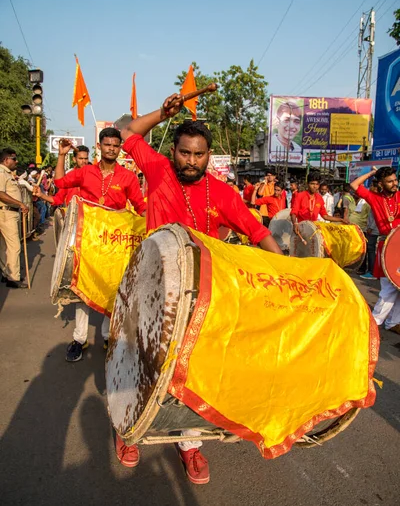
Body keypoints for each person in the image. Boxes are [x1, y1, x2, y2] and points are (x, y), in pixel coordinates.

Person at [115, 93, 282, 485]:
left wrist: (286, 269)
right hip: (149, 285)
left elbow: (258, 232)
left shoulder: (222, 193)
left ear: (209, 155)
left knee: (193, 370)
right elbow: (127, 134)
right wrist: (163, 113)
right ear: (173, 151)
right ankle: (129, 430)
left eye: (199, 154)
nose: (191, 161)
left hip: (199, 297)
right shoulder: (157, 169)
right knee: (140, 361)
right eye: (185, 153)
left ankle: (189, 445)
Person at [53, 128, 146, 362]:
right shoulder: (85, 172)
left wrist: (157, 223)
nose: (112, 148)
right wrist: (62, 155)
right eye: (107, 145)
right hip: (87, 242)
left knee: (113, 287)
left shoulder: (128, 177)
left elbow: (140, 207)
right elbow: (58, 182)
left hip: (114, 244)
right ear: (100, 146)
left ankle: (107, 335)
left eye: (116, 145)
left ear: (119, 148)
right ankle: (79, 338)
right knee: (81, 290)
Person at [350, 166, 400, 333]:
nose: (394, 183)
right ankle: (374, 322)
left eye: (395, 180)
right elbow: (355, 185)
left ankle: (393, 322)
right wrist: (372, 173)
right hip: (386, 246)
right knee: (388, 286)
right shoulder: (374, 197)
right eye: (389, 181)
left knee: (398, 286)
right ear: (381, 183)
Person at [0, 148, 29, 288]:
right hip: (6, 212)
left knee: (5, 246)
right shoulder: (1, 173)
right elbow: (0, 193)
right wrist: (20, 203)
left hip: (8, 212)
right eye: (14, 159)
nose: (16, 161)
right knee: (14, 246)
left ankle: (6, 273)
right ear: (6, 160)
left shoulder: (7, 173)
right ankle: (13, 277)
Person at [360, 180, 379, 280]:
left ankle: (372, 272)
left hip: (374, 229)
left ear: (376, 188)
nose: (370, 187)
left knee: (371, 250)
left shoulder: (376, 199)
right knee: (371, 250)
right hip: (372, 228)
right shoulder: (375, 199)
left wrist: (371, 227)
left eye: (371, 185)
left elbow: (377, 216)